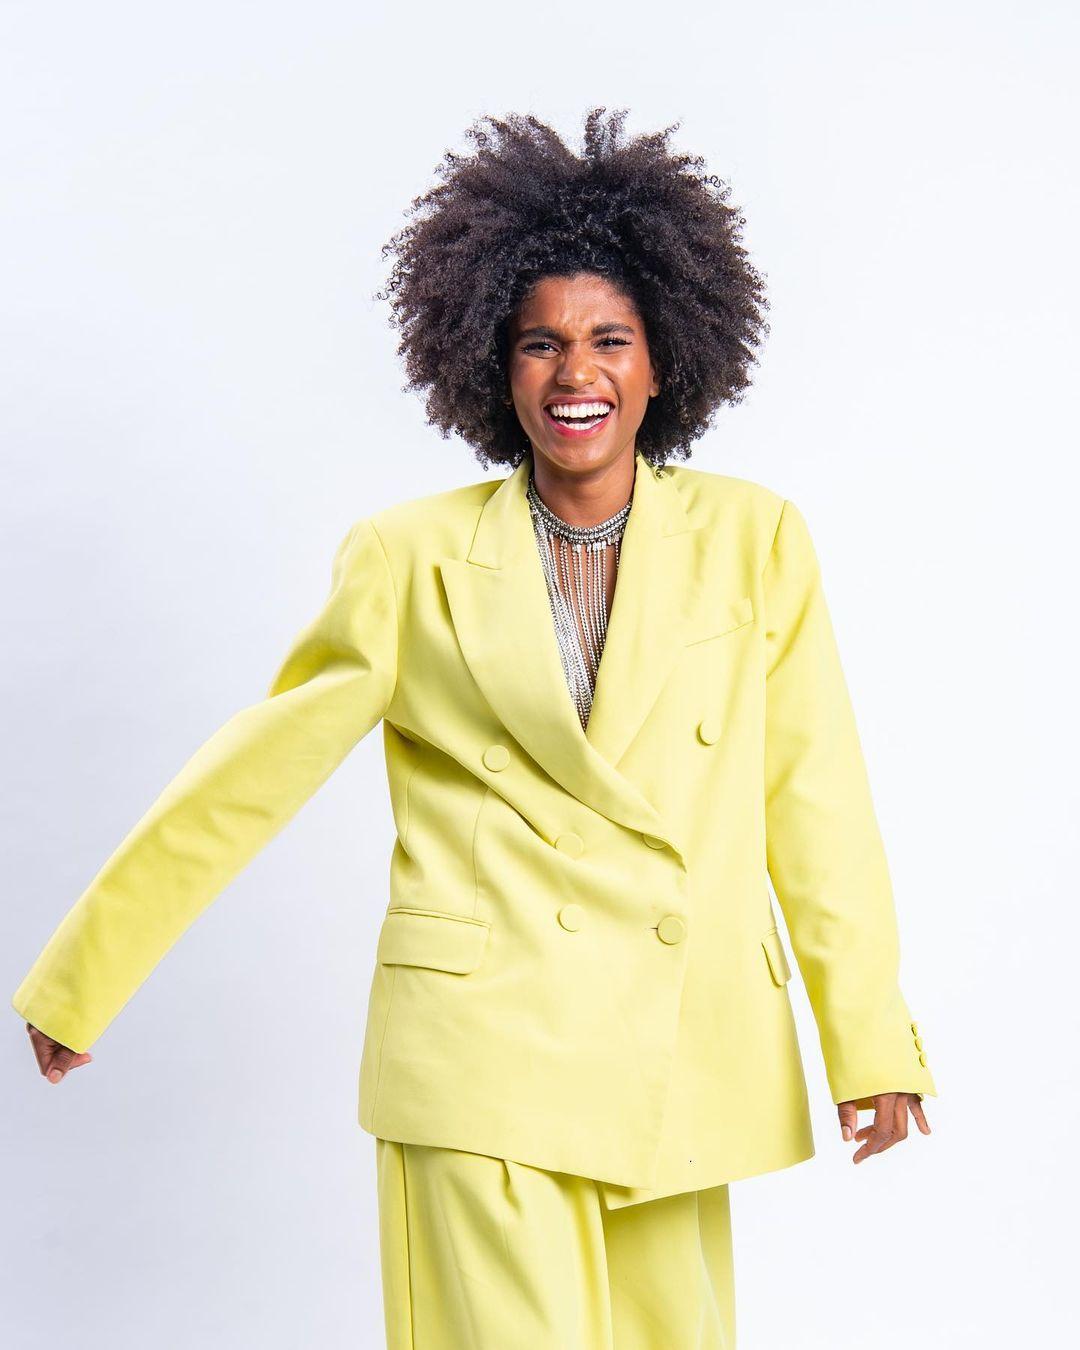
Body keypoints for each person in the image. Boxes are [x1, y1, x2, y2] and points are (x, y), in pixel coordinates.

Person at [13, 107, 936, 1348]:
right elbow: (255, 772)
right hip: (480, 1058)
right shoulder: (409, 558)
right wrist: (89, 972)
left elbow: (814, 800)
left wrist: (870, 1038)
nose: (576, 373)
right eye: (539, 343)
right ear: (492, 367)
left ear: (664, 362)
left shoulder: (756, 540)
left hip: (679, 1054)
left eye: (610, 340)